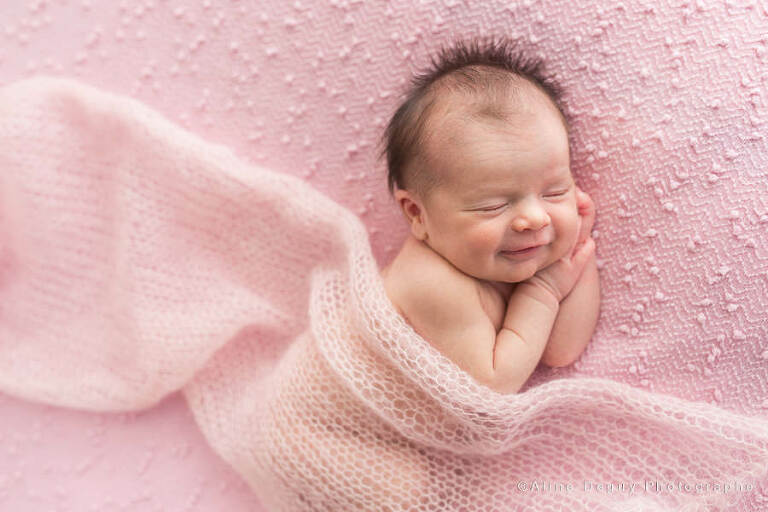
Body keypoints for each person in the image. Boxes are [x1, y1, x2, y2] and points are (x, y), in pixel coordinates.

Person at [379, 37, 600, 394]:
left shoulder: (494, 258)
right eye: (492, 206)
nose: (534, 218)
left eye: (555, 192)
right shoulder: (430, 282)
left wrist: (575, 254)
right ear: (417, 214)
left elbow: (561, 351)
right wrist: (544, 290)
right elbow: (494, 382)